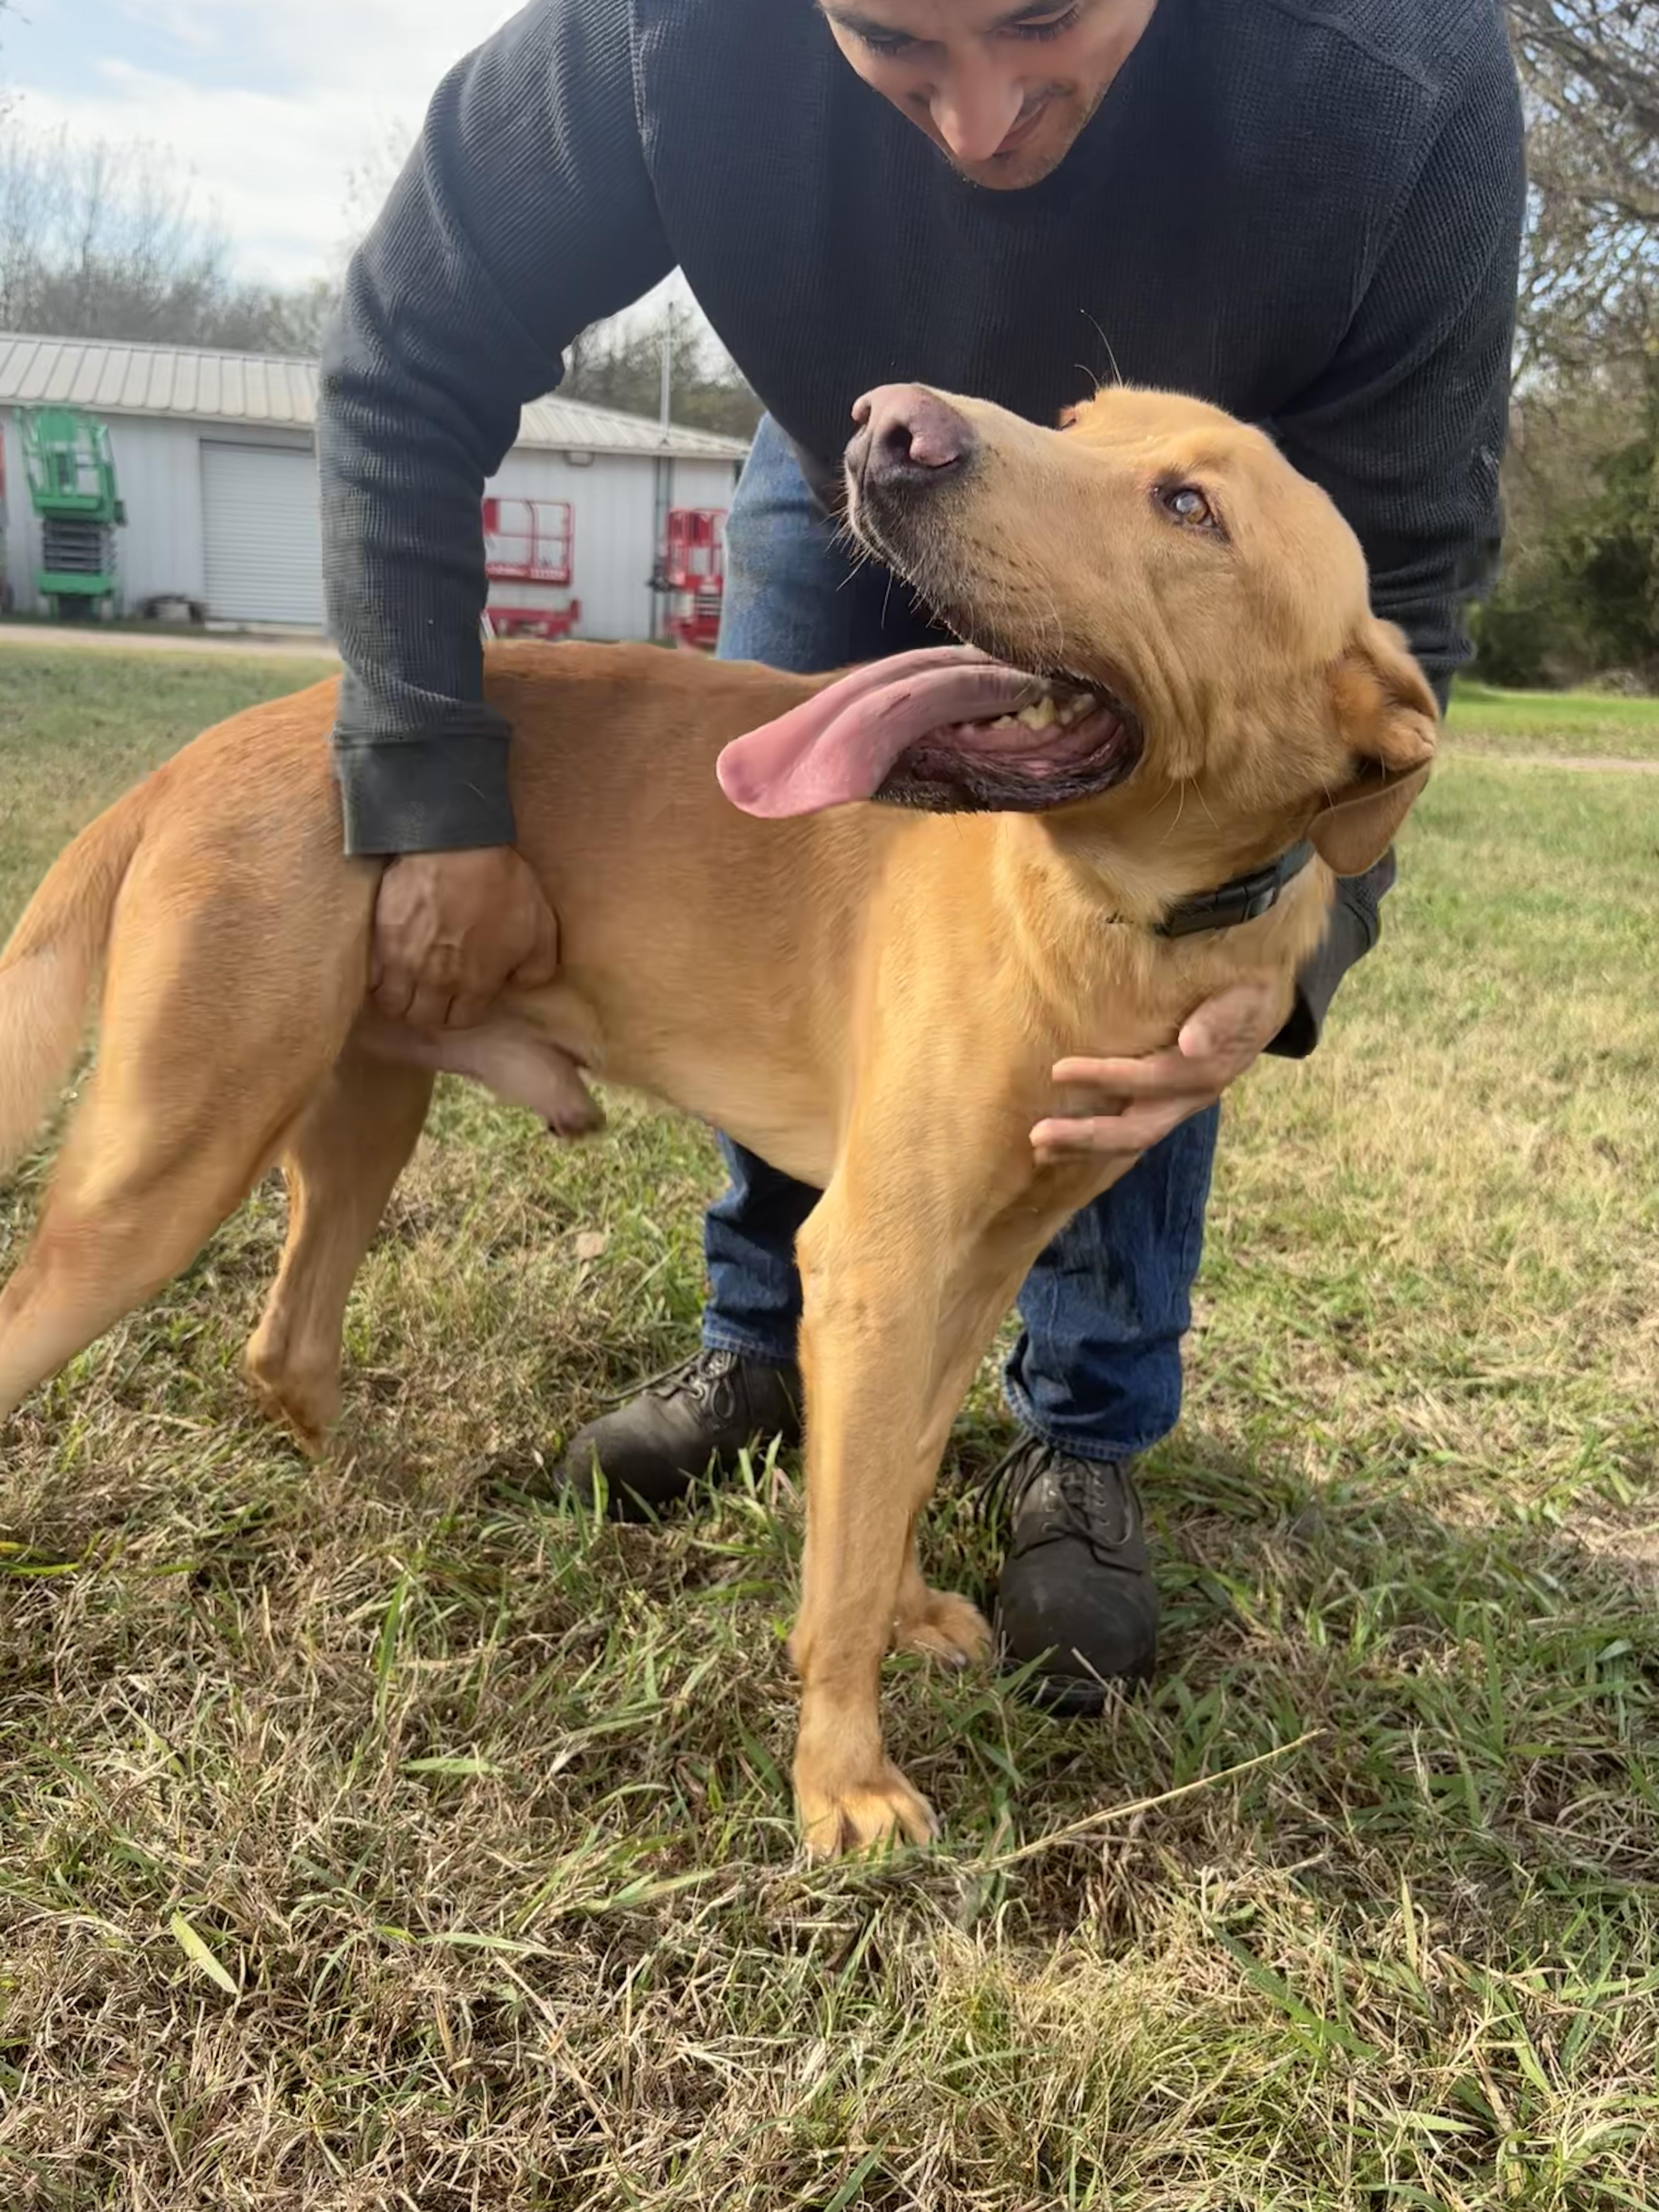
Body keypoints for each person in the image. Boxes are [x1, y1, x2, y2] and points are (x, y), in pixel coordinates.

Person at [318, 0, 1524, 1710]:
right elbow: (407, 345)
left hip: (1201, 531)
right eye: (894, 41)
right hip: (850, 455)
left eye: (1043, 22)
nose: (976, 124)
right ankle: (774, 1346)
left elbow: (1402, 586)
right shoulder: (661, 39)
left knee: (1158, 944)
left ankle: (1080, 1432)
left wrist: (1295, 954)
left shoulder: (1395, 83)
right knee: (808, 955)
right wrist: (429, 794)